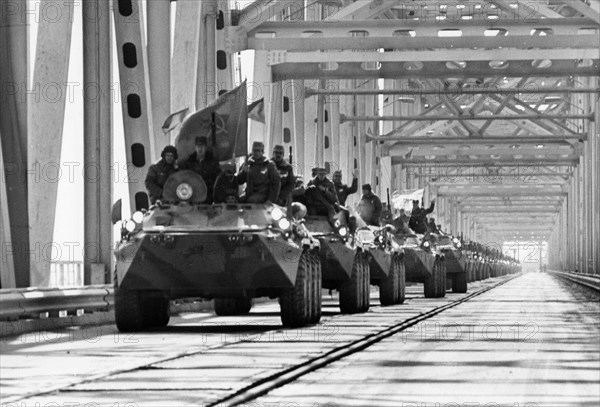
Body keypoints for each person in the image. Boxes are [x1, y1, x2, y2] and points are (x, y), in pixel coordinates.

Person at [182, 136, 221, 204]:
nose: (200, 149)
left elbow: (218, 179)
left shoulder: (212, 162)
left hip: (208, 196)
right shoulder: (189, 162)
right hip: (192, 195)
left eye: (202, 146)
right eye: (198, 146)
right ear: (195, 148)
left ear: (205, 148)